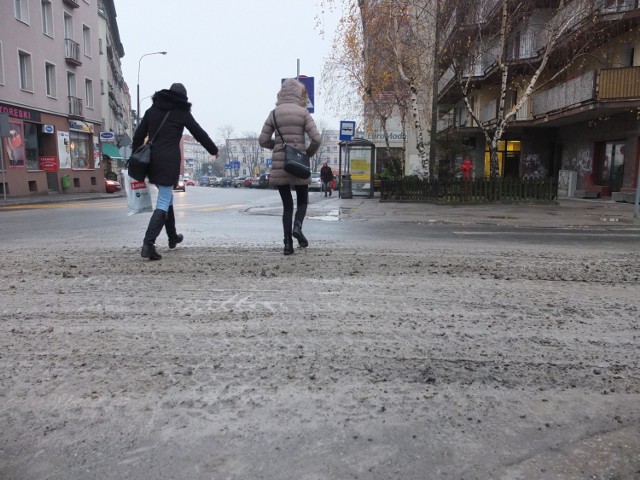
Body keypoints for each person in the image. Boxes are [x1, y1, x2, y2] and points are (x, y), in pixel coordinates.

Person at [132, 83, 218, 261]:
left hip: (152, 161)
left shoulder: (152, 110)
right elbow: (199, 133)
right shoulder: (181, 112)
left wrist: (135, 155)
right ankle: (148, 244)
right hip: (169, 162)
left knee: (167, 198)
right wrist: (213, 150)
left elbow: (138, 135)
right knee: (164, 200)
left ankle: (172, 237)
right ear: (183, 98)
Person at [259, 79, 321, 255]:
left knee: (287, 206)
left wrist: (278, 146)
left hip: (281, 165)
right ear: (299, 94)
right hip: (299, 163)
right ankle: (298, 227)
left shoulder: (274, 114)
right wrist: (307, 153)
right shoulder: (303, 113)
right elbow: (316, 138)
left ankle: (287, 244)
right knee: (302, 201)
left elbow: (262, 140)